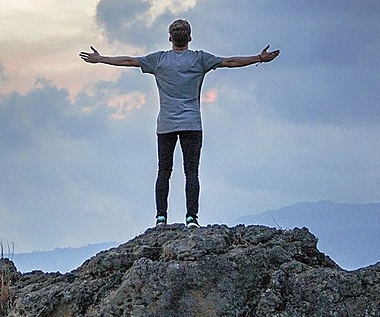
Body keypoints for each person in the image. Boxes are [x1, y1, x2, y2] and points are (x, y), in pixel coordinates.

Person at [81, 19, 279, 227]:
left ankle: (161, 218)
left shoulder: (159, 60)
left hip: (166, 124)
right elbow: (230, 62)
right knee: (191, 171)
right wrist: (259, 58)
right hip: (192, 123)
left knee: (163, 171)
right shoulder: (200, 59)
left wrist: (101, 59)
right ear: (190, 37)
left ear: (170, 38)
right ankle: (191, 218)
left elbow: (129, 61)